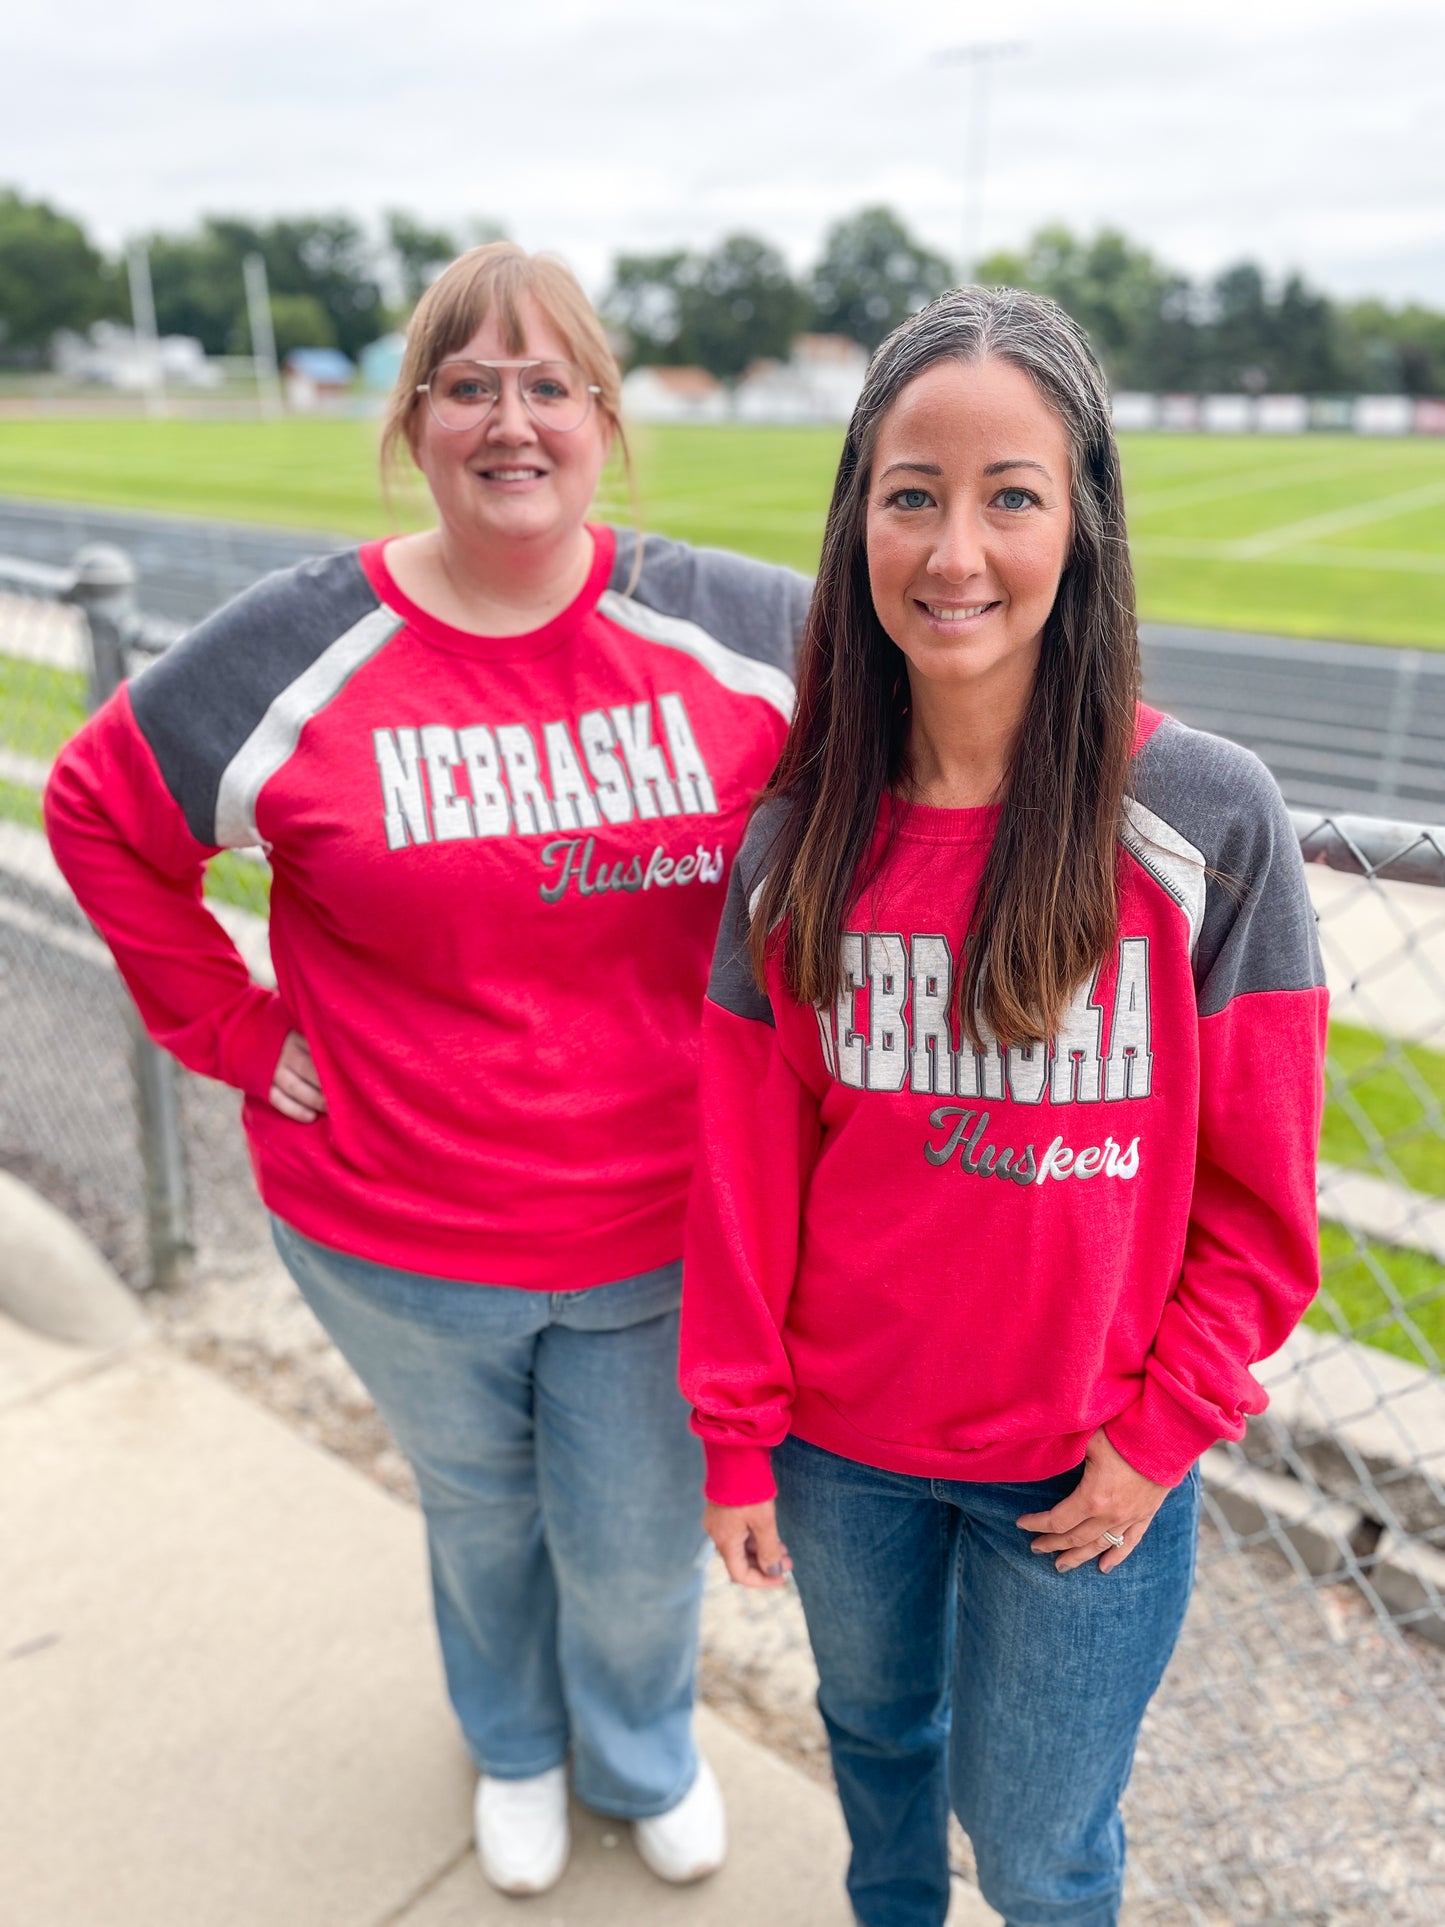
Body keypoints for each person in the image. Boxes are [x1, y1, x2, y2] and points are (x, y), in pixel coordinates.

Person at [45, 242, 807, 1898]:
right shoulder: (297, 648)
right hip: (393, 1236)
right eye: (469, 386)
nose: (510, 420)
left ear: (605, 419)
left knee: (627, 1555)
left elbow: (949, 726)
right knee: (478, 1517)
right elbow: (99, 808)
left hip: (662, 1242)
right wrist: (234, 1029)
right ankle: (515, 1746)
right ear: (414, 423)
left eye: (549, 386)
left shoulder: (736, 628)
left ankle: (637, 1747)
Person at [680, 286, 1326, 1927]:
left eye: (1008, 495)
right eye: (912, 493)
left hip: (1085, 1475)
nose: (953, 550)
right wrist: (738, 1438)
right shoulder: (799, 839)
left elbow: (1256, 1213)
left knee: (1040, 1851)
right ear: (858, 520)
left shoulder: (1201, 823)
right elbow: (747, 1178)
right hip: (842, 1457)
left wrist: (1159, 1432)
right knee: (877, 1749)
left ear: (1081, 522)